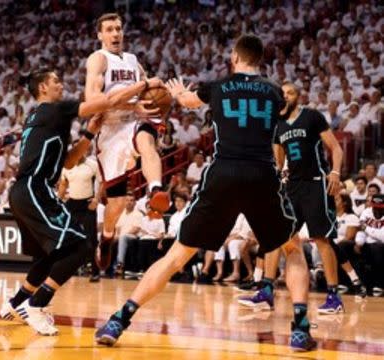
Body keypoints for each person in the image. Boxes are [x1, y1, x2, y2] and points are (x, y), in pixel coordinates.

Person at [95, 34, 315, 351]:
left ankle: (120, 319)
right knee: (292, 250)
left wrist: (177, 92)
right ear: (260, 61)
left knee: (176, 256)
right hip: (261, 173)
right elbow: (280, 109)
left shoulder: (217, 86)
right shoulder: (275, 92)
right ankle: (300, 328)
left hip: (223, 172)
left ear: (235, 58)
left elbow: (185, 102)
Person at [0, 68, 152, 336]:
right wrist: (144, 84)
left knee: (49, 256)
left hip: (23, 191)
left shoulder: (38, 116)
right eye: (56, 80)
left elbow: (68, 161)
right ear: (43, 87)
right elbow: (107, 101)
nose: (62, 83)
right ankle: (37, 305)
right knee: (82, 246)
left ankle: (14, 304)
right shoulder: (54, 109)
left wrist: (90, 134)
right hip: (36, 188)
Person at [85, 13, 169, 271]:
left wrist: (159, 100)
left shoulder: (133, 60)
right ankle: (108, 236)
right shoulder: (98, 59)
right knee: (118, 203)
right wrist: (138, 94)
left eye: (118, 29)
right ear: (99, 35)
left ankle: (155, 190)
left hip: (133, 121)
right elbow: (92, 99)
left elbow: (150, 92)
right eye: (109, 29)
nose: (115, 34)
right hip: (109, 130)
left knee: (146, 141)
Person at [265, 82, 345, 314]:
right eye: (282, 94)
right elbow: (278, 163)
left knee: (321, 239)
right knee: (279, 235)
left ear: (298, 97)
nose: (285, 96)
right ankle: (266, 290)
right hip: (293, 186)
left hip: (315, 183)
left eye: (289, 93)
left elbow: (336, 149)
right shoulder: (277, 126)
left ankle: (333, 296)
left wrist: (336, 173)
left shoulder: (312, 117)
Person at [58, 144, 101, 282]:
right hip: (72, 203)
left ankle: (95, 271)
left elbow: (102, 182)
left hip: (87, 204)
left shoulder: (92, 165)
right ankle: (70, 268)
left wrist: (97, 199)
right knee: (69, 238)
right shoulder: (66, 166)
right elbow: (63, 184)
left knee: (91, 239)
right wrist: (59, 200)